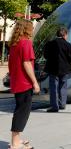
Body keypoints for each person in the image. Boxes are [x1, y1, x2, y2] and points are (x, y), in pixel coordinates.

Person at [8, 20, 39, 149]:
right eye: (31, 27)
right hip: (25, 83)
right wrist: (35, 82)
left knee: (19, 110)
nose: (32, 30)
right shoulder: (26, 43)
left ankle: (17, 140)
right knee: (22, 112)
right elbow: (27, 63)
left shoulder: (14, 44)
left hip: (17, 81)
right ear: (27, 29)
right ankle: (15, 143)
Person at [43, 27, 71, 112]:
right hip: (64, 69)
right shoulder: (68, 45)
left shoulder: (49, 44)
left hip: (53, 69)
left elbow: (45, 56)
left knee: (53, 87)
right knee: (63, 87)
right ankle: (62, 104)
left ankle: (54, 106)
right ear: (65, 35)